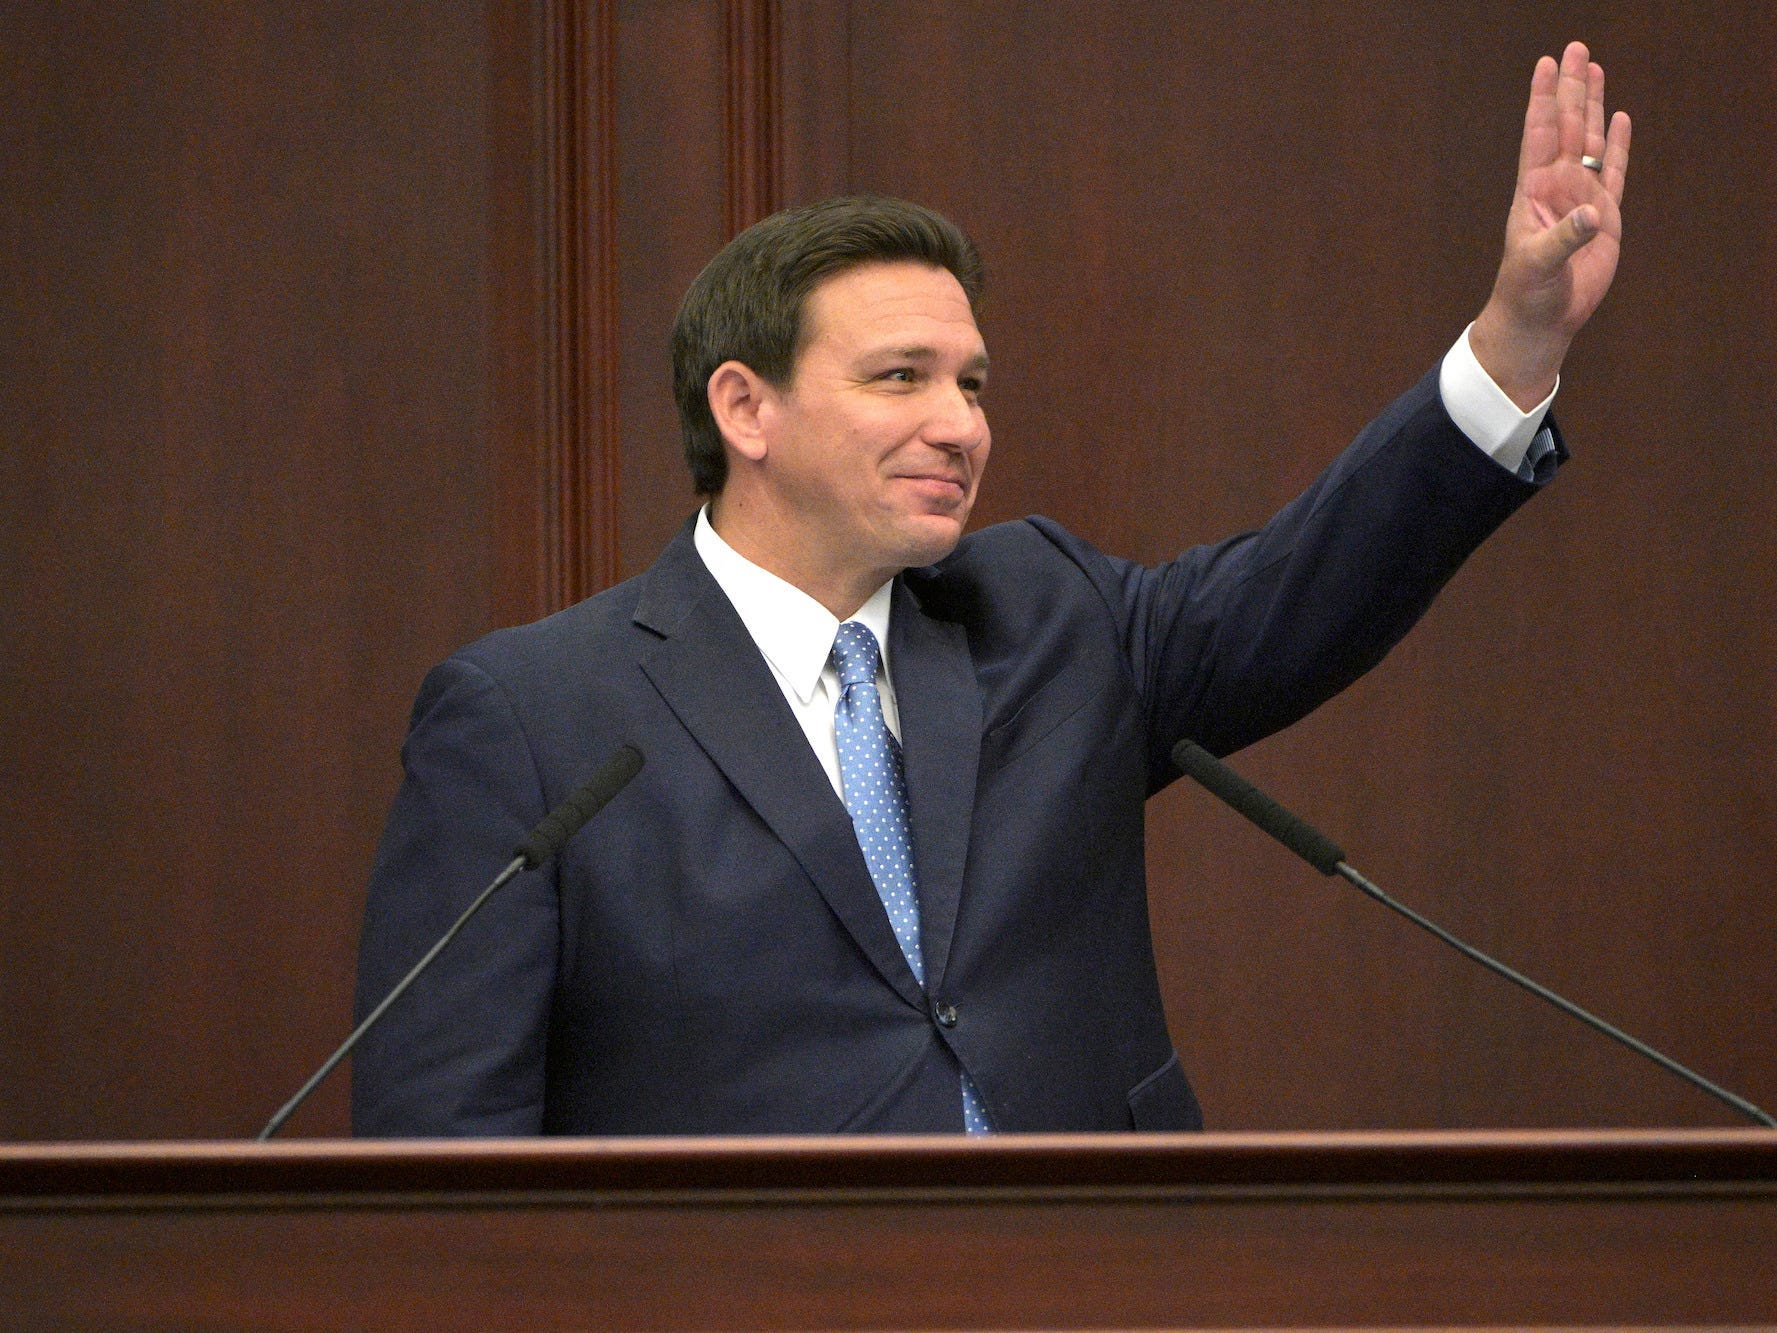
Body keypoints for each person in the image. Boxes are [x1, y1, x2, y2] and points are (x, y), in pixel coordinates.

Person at [352, 43, 1630, 1135]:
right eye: (900, 377)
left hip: (1101, 1286)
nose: (959, 423)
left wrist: (1516, 344)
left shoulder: (1050, 614)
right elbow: (442, 1149)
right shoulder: (535, 719)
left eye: (971, 383)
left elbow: (1310, 587)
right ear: (744, 406)